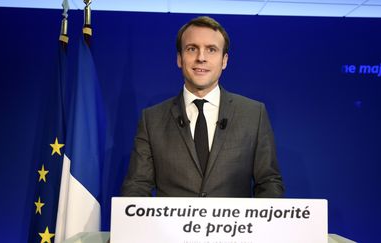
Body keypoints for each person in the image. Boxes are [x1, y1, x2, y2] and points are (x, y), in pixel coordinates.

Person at [121, 16, 284, 198]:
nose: (201, 58)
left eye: (211, 50)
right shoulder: (152, 119)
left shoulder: (254, 115)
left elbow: (269, 183)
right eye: (192, 49)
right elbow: (137, 186)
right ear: (180, 59)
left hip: (233, 226)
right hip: (170, 226)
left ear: (224, 61)